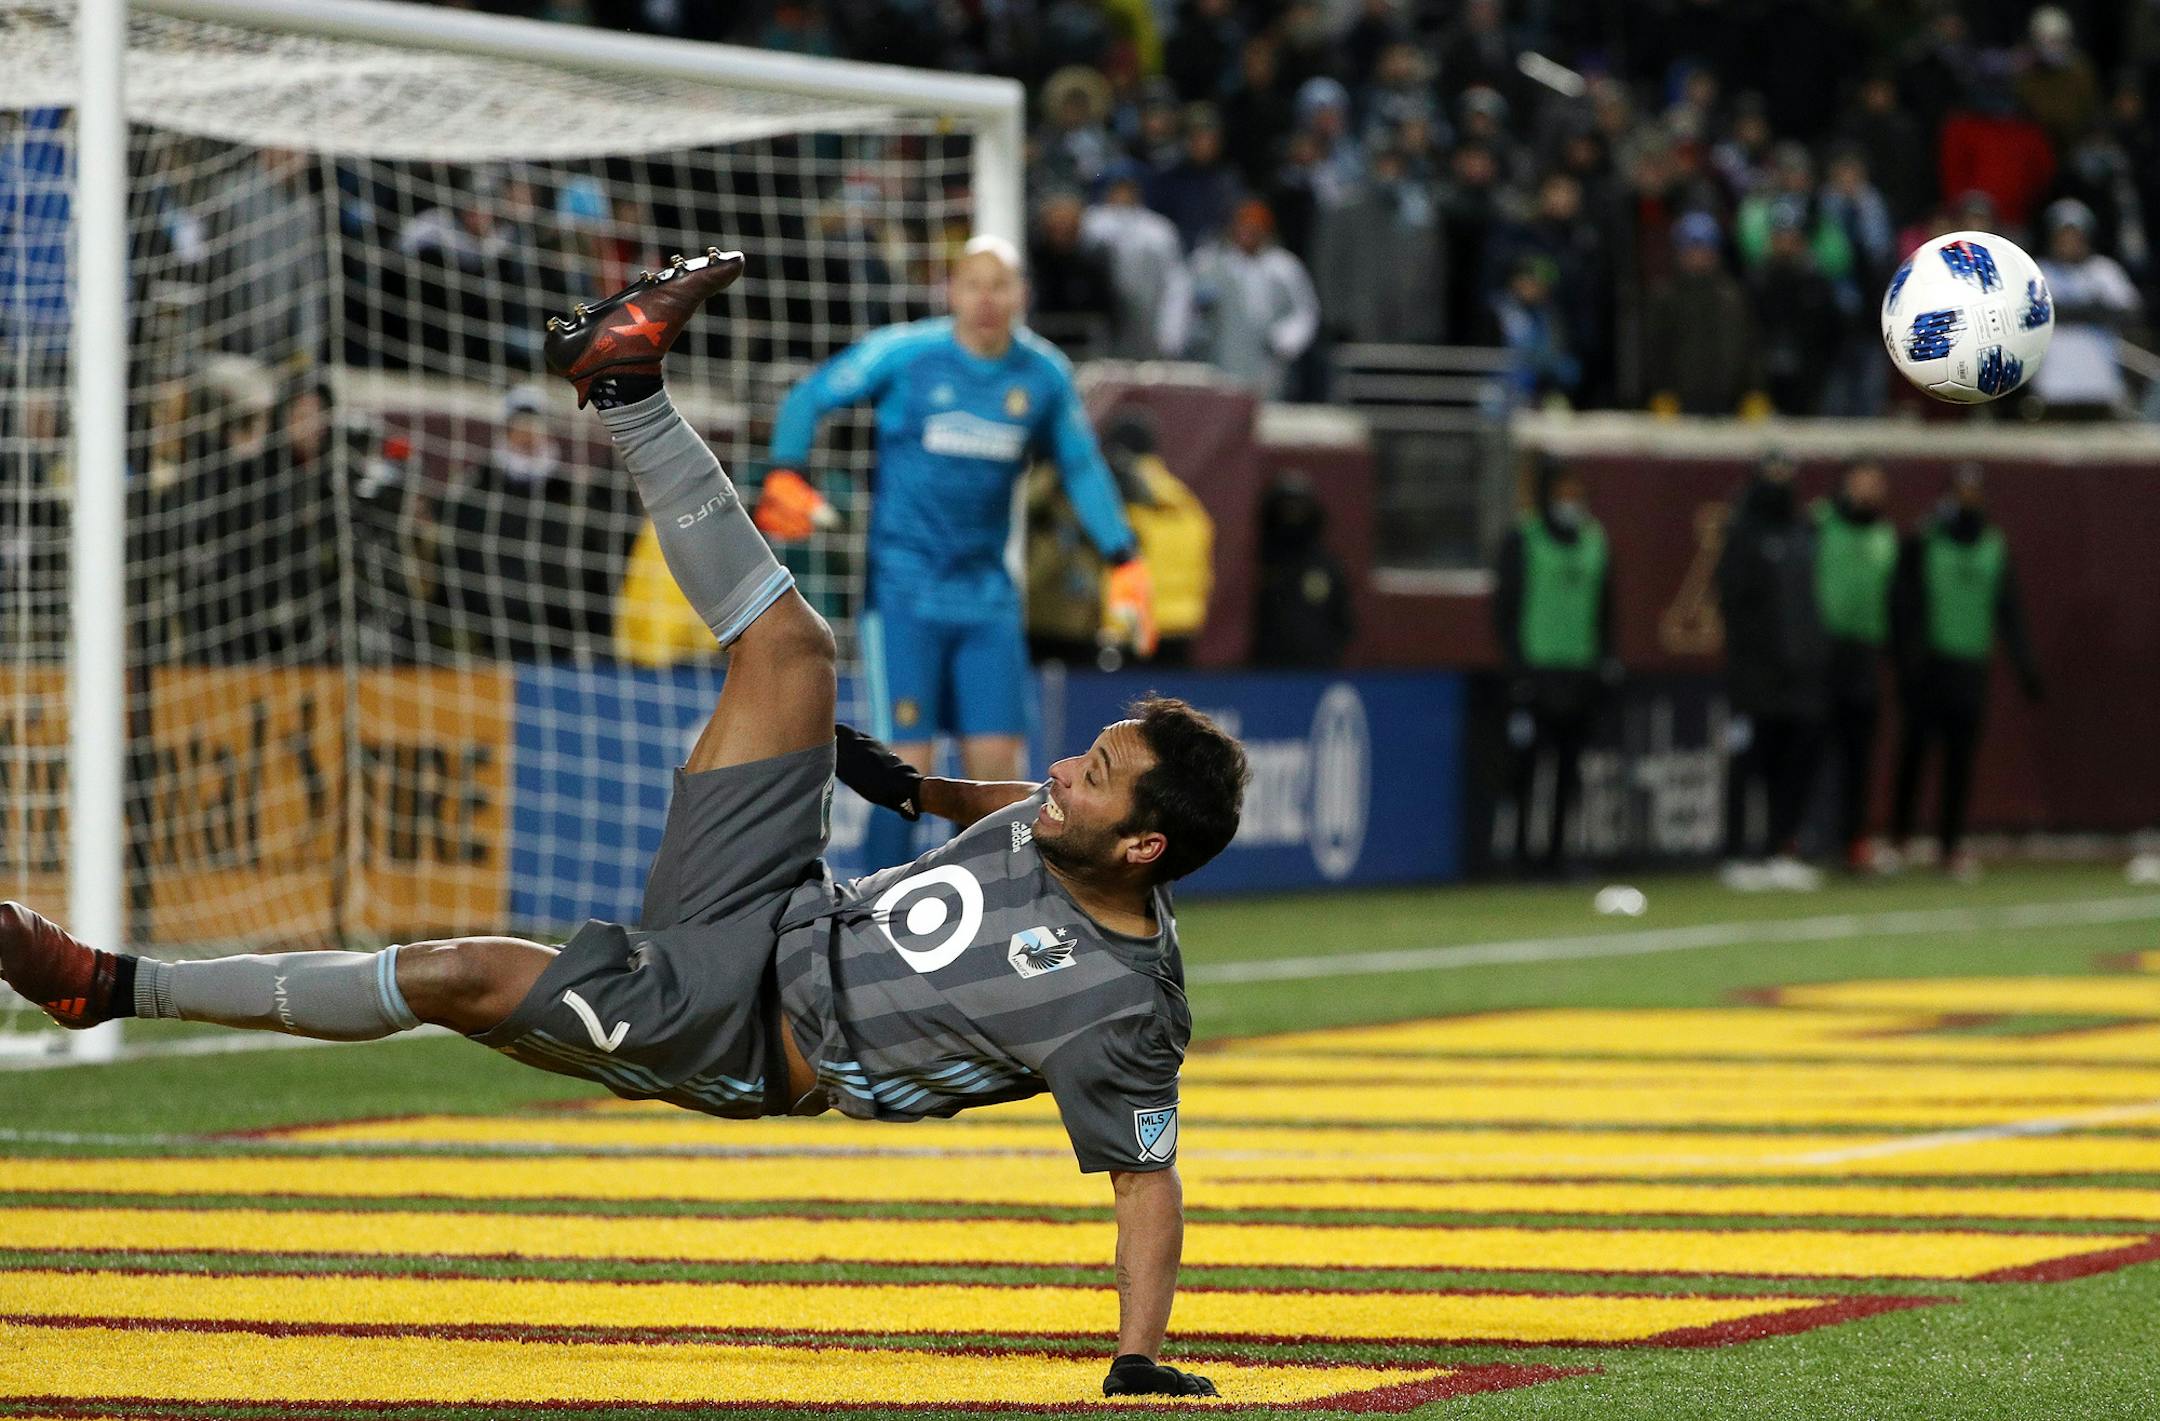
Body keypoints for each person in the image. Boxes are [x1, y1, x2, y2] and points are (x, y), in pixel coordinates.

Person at [0, 249, 1246, 1402]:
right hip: (778, 904)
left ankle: (110, 985)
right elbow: (1004, 799)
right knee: (793, 647)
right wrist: (906, 788)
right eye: (1087, 755)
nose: (1064, 775)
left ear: (1144, 848)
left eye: (1095, 777)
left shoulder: (1122, 1005)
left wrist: (1138, 1359)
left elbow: (1145, 1180)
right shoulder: (1057, 815)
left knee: (459, 971)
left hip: (741, 1032)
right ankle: (626, 381)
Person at [755, 237, 1155, 872]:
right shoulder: (907, 354)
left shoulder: (1043, 374)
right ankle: (871, 914)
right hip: (905, 595)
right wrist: (784, 473)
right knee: (906, 768)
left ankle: (998, 922)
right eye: (973, 283)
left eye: (1001, 284)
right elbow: (809, 398)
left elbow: (1080, 465)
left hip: (987, 600)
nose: (987, 298)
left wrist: (1125, 557)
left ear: (1024, 294)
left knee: (1000, 775)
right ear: (952, 291)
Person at [1889, 464, 2043, 882]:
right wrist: (1907, 657)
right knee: (1914, 753)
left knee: (1960, 762)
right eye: (1961, 493)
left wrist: (2025, 666)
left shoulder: (1993, 545)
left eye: (1974, 493)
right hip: (1929, 666)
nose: (1968, 501)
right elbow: (1903, 599)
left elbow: (2008, 610)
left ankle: (1949, 846)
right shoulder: (1926, 539)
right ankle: (1900, 839)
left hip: (1971, 666)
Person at [1491, 456, 1617, 876]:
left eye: (1575, 494)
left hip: (1578, 673)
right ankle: (1522, 854)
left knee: (1569, 772)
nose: (1569, 502)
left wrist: (1605, 661)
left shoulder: (1596, 540)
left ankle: (1560, 852)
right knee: (1525, 770)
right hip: (1536, 673)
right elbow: (1504, 611)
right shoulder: (1523, 539)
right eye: (1562, 493)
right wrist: (1516, 671)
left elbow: (1606, 609)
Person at [1716, 453, 1827, 891]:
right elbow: (1733, 605)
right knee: (1749, 764)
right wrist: (1748, 665)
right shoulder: (1743, 534)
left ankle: (1781, 848)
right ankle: (1738, 853)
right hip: (1756, 675)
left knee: (1793, 765)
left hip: (1801, 675)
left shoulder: (1803, 532)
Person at [1812, 462, 1899, 871]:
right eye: (1861, 483)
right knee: (1811, 750)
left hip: (1865, 653)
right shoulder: (1820, 522)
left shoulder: (1886, 535)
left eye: (1875, 484)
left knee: (1858, 757)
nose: (1868, 492)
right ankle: (1807, 840)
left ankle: (1855, 842)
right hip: (1822, 651)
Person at [1187, 199, 1321, 399]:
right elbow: (1188, 308)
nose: (1248, 233)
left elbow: (1306, 311)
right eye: (1244, 226)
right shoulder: (1209, 264)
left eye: (1255, 228)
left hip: (1268, 361)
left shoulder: (1285, 267)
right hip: (1220, 357)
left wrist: (1286, 338)